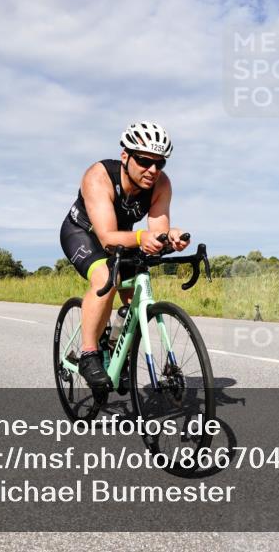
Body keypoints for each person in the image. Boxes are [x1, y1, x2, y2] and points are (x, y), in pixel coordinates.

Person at [60, 121, 189, 389]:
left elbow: (158, 232)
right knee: (106, 278)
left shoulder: (161, 184)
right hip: (84, 233)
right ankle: (88, 354)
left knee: (134, 299)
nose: (152, 170)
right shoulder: (98, 176)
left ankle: (115, 347)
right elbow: (107, 237)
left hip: (124, 237)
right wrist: (142, 238)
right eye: (144, 161)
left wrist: (170, 238)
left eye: (160, 163)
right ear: (125, 156)